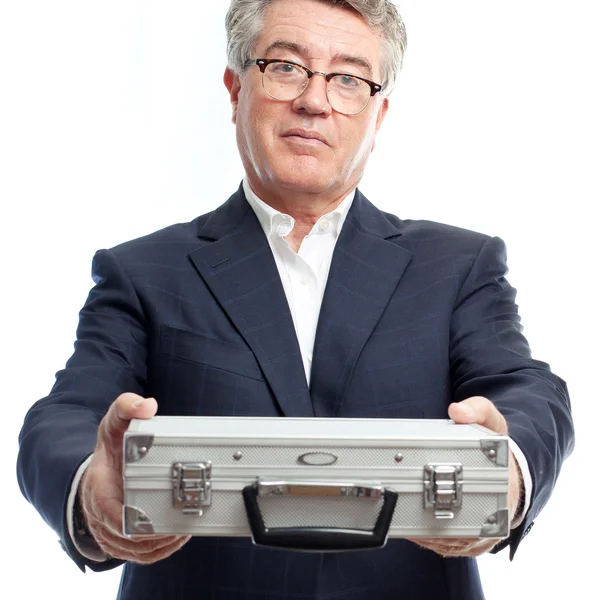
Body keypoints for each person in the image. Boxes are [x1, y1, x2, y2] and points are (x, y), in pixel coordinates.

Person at [16, 0, 574, 598]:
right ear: (234, 90)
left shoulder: (459, 265)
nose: (315, 99)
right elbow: (66, 416)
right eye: (286, 67)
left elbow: (529, 389)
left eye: (349, 79)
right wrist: (90, 489)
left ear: (378, 115)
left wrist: (507, 473)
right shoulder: (141, 271)